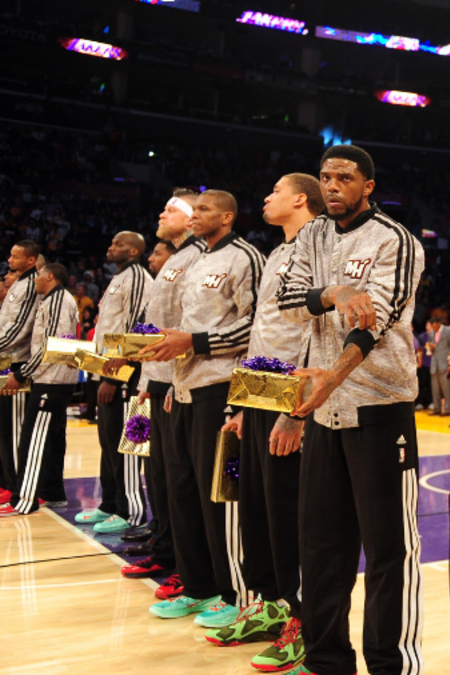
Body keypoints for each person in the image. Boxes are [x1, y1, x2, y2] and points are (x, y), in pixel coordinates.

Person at [276, 144, 425, 675]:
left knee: (389, 552)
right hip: (322, 413)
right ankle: (326, 660)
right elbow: (287, 301)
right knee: (321, 547)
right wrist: (334, 291)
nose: (332, 185)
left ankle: (392, 664)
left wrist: (332, 377)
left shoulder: (396, 240)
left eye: (343, 177)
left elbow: (376, 319)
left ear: (368, 185)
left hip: (380, 409)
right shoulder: (312, 235)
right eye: (324, 177)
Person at [212, 173, 322, 673]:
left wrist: (295, 413)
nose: (266, 196)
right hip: (256, 392)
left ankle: (303, 620)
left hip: (288, 398)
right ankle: (272, 604)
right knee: (255, 507)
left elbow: (316, 333)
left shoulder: (319, 245)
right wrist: (239, 405)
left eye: (274, 190)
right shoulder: (277, 252)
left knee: (287, 514)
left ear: (300, 199)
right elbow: (264, 332)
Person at [144, 189, 264, 629]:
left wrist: (193, 346)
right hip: (186, 386)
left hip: (222, 388)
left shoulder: (245, 257)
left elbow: (255, 325)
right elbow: (186, 326)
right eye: (192, 211)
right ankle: (198, 587)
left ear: (228, 217)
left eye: (204, 210)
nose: (195, 217)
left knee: (221, 498)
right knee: (183, 490)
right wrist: (176, 379)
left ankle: (236, 593)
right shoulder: (196, 260)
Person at [119, 190, 202, 597]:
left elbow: (188, 327)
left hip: (178, 381)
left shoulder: (199, 259)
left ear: (191, 219)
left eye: (170, 209)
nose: (161, 212)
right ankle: (165, 546)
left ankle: (185, 563)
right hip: (156, 379)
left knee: (179, 481)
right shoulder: (175, 260)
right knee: (160, 475)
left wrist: (168, 380)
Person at [79, 231, 151, 535]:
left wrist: (113, 377)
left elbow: (135, 329)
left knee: (127, 445)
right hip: (107, 372)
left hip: (126, 375)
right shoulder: (119, 277)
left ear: (134, 251)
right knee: (108, 443)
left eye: (118, 244)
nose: (111, 248)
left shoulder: (137, 276)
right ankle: (109, 504)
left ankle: (130, 511)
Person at [0, 263, 77, 516]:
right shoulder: (54, 299)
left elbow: (51, 345)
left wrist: (22, 374)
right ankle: (51, 494)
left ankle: (25, 500)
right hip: (51, 378)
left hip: (51, 380)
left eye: (39, 275)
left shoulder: (58, 301)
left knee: (34, 442)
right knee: (48, 441)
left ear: (50, 276)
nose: (35, 280)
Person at [0, 240, 39, 505]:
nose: (10, 261)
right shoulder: (19, 285)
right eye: (10, 257)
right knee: (6, 430)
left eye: (16, 258)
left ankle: (16, 488)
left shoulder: (29, 285)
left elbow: (20, 329)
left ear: (31, 260)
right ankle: (7, 483)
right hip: (6, 360)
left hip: (19, 364)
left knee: (15, 432)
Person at [427, 315, 450, 415]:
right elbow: (432, 348)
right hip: (434, 363)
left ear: (438, 323)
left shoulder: (448, 331)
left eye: (433, 326)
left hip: (444, 363)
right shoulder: (431, 333)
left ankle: (447, 410)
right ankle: (437, 408)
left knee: (446, 388)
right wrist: (431, 347)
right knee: (435, 388)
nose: (432, 328)